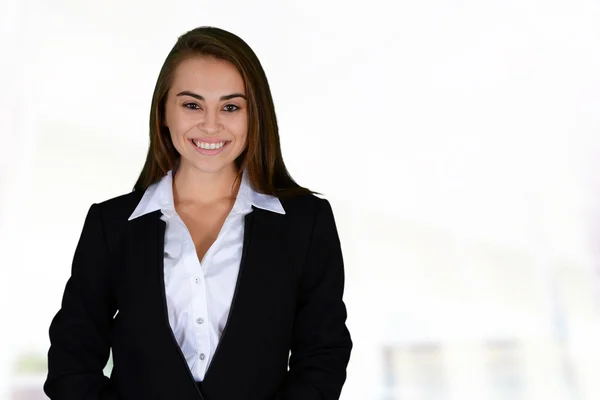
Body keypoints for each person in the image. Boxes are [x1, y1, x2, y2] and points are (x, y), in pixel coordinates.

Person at [43, 26, 352, 400]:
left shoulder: (306, 223)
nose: (210, 124)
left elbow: (323, 356)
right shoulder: (111, 226)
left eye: (231, 107)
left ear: (255, 116)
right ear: (164, 113)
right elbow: (71, 362)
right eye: (192, 105)